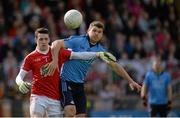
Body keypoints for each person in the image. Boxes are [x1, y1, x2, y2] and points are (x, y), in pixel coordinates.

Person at [47, 21, 141, 117]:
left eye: (99, 32)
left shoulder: (100, 50)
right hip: (65, 81)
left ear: (102, 35)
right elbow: (55, 43)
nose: (96, 33)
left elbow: (115, 65)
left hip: (79, 84)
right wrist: (54, 61)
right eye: (94, 30)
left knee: (81, 116)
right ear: (88, 30)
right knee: (70, 111)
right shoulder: (78, 40)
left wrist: (131, 81)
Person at [15, 27, 114, 117]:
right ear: (36, 40)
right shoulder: (30, 57)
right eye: (41, 39)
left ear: (49, 39)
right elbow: (19, 76)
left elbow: (78, 55)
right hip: (38, 96)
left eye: (46, 39)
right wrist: (21, 83)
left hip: (55, 98)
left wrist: (97, 54)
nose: (44, 41)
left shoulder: (58, 52)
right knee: (36, 116)